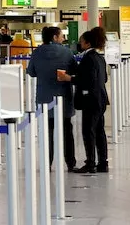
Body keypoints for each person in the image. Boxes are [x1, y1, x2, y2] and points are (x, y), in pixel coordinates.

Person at [27, 26, 76, 170]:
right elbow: (73, 71)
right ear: (55, 37)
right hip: (64, 99)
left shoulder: (37, 53)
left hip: (44, 99)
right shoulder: (67, 52)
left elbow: (31, 72)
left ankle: (46, 163)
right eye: (61, 36)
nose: (62, 39)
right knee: (67, 132)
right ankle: (70, 163)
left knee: (47, 132)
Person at [70, 27, 111, 174]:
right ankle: (103, 162)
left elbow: (87, 79)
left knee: (88, 131)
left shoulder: (88, 58)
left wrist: (70, 78)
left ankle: (90, 163)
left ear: (87, 43)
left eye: (81, 41)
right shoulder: (100, 57)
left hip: (91, 100)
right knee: (100, 131)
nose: (80, 44)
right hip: (101, 98)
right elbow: (104, 78)